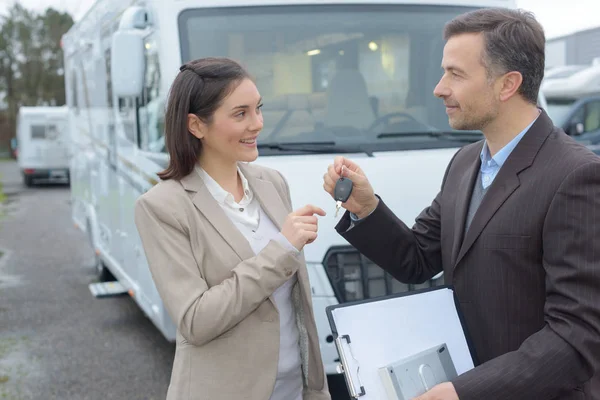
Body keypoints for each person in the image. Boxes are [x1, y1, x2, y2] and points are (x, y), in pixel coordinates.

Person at [323, 8, 600, 400]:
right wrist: (366, 207)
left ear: (507, 84)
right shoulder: (465, 163)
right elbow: (416, 259)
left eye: (456, 74)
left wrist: (461, 391)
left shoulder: (577, 175)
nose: (439, 88)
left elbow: (577, 337)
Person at [134, 57, 331, 400]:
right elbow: (195, 320)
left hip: (294, 390)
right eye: (240, 114)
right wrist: (282, 250)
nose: (257, 124)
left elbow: (297, 307)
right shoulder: (162, 206)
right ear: (196, 125)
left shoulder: (272, 183)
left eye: (258, 109)